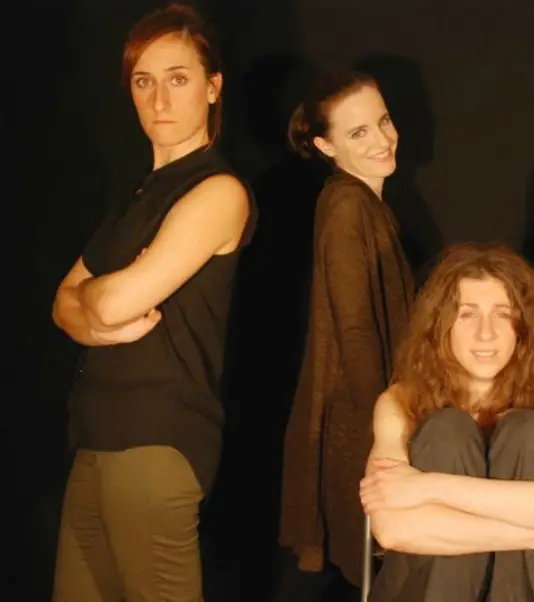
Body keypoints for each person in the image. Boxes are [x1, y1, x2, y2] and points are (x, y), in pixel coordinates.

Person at [50, 4, 255, 601]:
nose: (159, 99)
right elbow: (61, 305)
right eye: (144, 81)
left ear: (213, 87)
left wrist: (93, 304)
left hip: (156, 442)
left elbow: (109, 303)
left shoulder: (218, 190)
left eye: (178, 78)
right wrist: (91, 312)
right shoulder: (138, 196)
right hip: (95, 438)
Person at [360, 243, 534, 602]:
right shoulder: (400, 403)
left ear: (522, 328)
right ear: (442, 326)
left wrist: (425, 487)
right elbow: (392, 529)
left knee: (528, 430)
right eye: (467, 314)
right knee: (447, 430)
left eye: (502, 314)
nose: (486, 333)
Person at [277, 71, 415, 598]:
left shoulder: (365, 204)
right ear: (324, 145)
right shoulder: (345, 206)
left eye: (383, 121)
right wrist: (385, 436)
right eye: (359, 132)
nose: (382, 139)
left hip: (371, 417)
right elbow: (353, 328)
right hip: (360, 424)